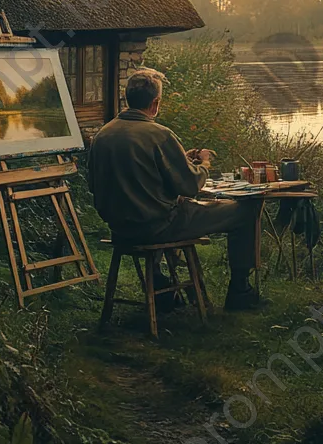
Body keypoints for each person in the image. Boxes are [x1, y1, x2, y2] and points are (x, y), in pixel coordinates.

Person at [88, 68, 261, 310]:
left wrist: (181, 160)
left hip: (121, 229)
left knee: (157, 207)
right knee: (244, 211)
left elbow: (96, 185)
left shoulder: (103, 135)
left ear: (128, 98)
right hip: (159, 227)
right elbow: (189, 186)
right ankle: (240, 292)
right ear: (155, 103)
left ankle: (160, 286)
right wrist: (204, 164)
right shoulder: (159, 134)